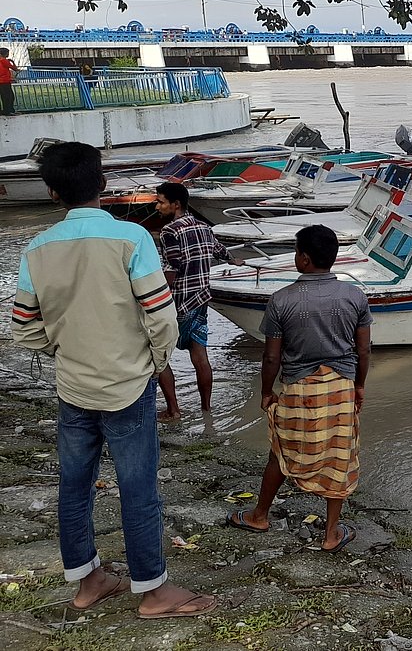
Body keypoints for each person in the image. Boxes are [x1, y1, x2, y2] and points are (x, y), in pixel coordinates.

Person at [9, 142, 216, 618]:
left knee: (75, 486)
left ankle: (87, 582)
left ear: (52, 192)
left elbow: (24, 325)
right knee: (138, 488)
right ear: (103, 184)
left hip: (73, 385)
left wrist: (62, 348)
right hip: (127, 384)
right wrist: (153, 359)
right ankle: (153, 592)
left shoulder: (37, 250)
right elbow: (160, 316)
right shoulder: (132, 239)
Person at [227, 224, 372, 552]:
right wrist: (359, 386)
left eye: (296, 252)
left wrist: (266, 392)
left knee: (280, 450)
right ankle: (331, 534)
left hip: (299, 389)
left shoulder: (281, 300)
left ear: (304, 259)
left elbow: (271, 357)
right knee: (340, 458)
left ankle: (259, 515)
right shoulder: (355, 297)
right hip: (341, 389)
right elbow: (363, 350)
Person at [154, 182, 237, 419]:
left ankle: (173, 410)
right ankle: (206, 409)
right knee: (200, 355)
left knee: (160, 357)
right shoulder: (203, 226)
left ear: (175, 204)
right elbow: (221, 251)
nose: (157, 206)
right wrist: (235, 261)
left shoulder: (170, 232)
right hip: (200, 300)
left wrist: (148, 294)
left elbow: (172, 268)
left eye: (161, 202)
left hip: (177, 303)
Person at [0, 48, 19, 115]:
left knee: (4, 96)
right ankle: (8, 111)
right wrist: (12, 62)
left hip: (2, 82)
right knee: (9, 97)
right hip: (5, 82)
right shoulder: (4, 61)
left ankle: (6, 111)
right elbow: (15, 69)